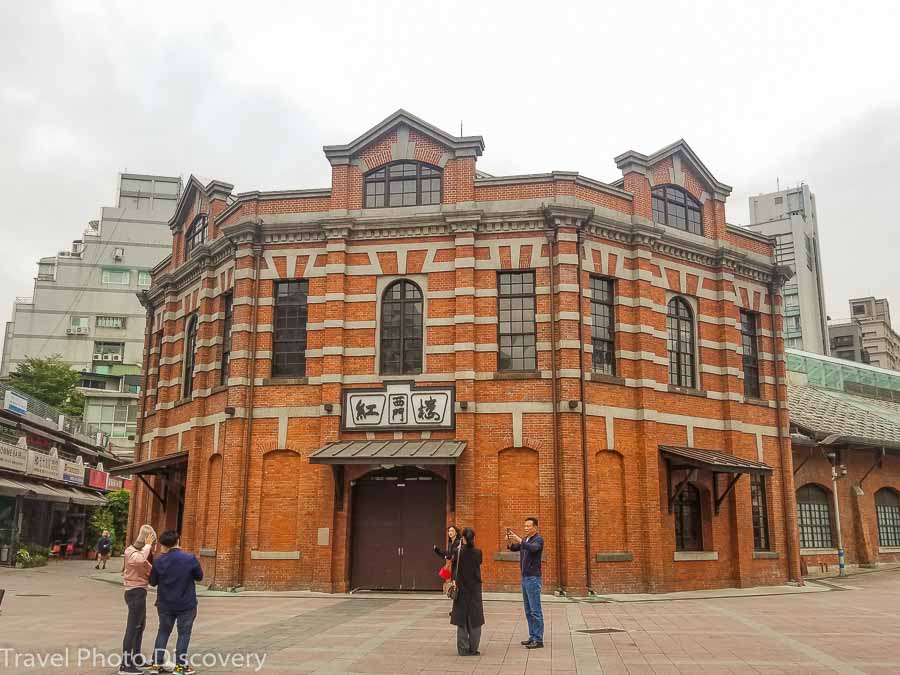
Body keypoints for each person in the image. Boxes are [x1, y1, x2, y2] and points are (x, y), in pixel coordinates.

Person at [149, 530, 203, 675]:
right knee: (184, 633)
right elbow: (199, 577)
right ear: (178, 540)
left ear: (163, 544)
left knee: (163, 631)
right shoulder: (189, 558)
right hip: (186, 603)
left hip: (165, 603)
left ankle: (156, 664)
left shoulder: (159, 561)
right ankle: (180, 667)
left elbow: (152, 582)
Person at [119, 525, 156, 675]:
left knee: (140, 626)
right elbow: (140, 561)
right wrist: (148, 545)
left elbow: (150, 569)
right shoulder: (131, 552)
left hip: (140, 592)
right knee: (132, 627)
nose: (153, 547)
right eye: (153, 542)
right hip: (134, 593)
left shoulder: (140, 554)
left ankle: (136, 657)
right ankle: (125, 665)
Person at [506, 516, 544, 649]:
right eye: (525, 526)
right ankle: (532, 636)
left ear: (535, 527)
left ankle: (538, 639)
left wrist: (519, 539)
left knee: (535, 610)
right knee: (528, 610)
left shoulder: (538, 540)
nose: (526, 528)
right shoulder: (526, 540)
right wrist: (510, 542)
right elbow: (515, 547)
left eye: (528, 526)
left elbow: (533, 548)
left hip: (533, 578)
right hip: (525, 578)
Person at [449, 527, 484, 656]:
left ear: (462, 539)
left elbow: (454, 566)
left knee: (462, 620)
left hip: (461, 588)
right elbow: (478, 563)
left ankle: (463, 649)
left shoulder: (458, 552)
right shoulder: (478, 552)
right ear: (473, 538)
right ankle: (473, 648)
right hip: (474, 589)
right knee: (475, 619)